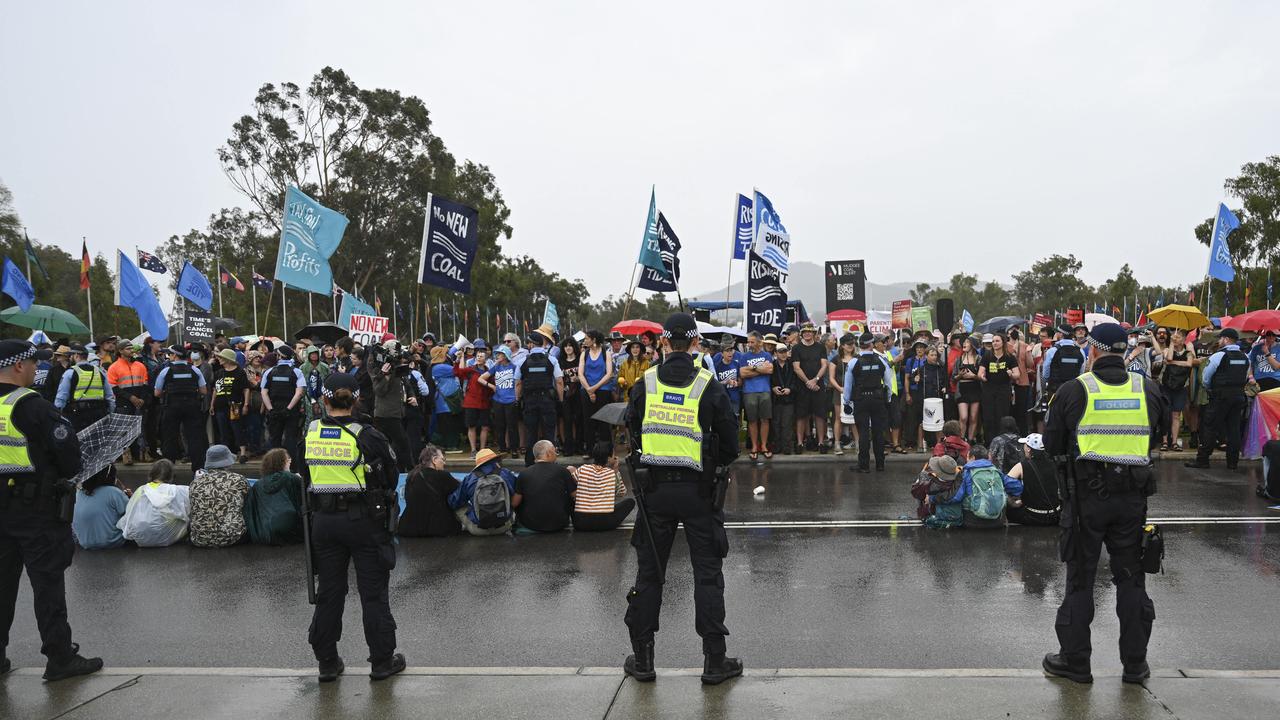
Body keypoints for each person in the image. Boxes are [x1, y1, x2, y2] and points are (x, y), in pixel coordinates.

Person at [1042, 322, 1163, 685]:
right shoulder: (1148, 389)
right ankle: (1135, 665)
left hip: (1085, 501)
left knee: (1081, 579)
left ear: (1092, 350)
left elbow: (1051, 444)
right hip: (1132, 501)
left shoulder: (1074, 390)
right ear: (1124, 351)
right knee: (1131, 578)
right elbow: (1154, 435)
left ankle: (1076, 663)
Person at [623, 312, 741, 686]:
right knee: (707, 574)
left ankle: (643, 659)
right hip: (698, 492)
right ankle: (713, 661)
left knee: (650, 573)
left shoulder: (646, 381)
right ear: (694, 344)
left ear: (663, 342)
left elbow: (631, 428)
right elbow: (732, 444)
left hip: (654, 491)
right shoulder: (708, 383)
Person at [0, 340, 102, 680]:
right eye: (31, 363)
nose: (35, 369)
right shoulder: (33, 407)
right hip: (36, 511)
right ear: (18, 366)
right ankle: (60, 658)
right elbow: (70, 458)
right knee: (47, 586)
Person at [301, 371, 406, 682]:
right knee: (373, 594)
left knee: (329, 593)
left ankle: (327, 662)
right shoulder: (368, 434)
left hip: (323, 522)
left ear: (323, 399)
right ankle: (381, 662)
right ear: (357, 398)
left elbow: (302, 473)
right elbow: (391, 474)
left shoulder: (310, 432)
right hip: (363, 521)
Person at [1186, 327, 1250, 470]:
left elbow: (1206, 377)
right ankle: (1232, 462)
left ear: (1226, 339)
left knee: (1209, 426)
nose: (1219, 341)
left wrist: (1211, 388)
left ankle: (1202, 460)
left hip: (1219, 396)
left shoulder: (1218, 355)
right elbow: (1245, 376)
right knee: (1233, 429)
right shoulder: (1245, 356)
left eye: (1220, 338)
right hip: (1238, 396)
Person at [843, 332, 893, 473]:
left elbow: (847, 385)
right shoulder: (881, 360)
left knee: (863, 433)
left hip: (861, 400)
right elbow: (888, 382)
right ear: (871, 345)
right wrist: (887, 398)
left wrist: (847, 401)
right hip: (878, 400)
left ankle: (864, 465)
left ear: (860, 345)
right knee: (878, 432)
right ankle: (880, 464)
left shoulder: (853, 362)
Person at [153, 345, 209, 470]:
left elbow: (157, 393)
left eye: (170, 354)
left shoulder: (166, 371)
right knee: (195, 437)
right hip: (192, 406)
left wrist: (169, 392)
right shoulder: (195, 369)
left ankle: (168, 469)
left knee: (169, 437)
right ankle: (198, 469)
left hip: (171, 406)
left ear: (175, 355)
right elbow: (204, 391)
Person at [188, 445, 249, 548]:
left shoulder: (195, 483)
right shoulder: (238, 480)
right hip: (233, 537)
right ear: (228, 462)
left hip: (199, 538)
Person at [520, 326, 564, 466]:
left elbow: (518, 383)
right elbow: (559, 381)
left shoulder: (523, 361)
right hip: (547, 401)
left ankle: (530, 464)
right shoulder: (551, 359)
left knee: (531, 433)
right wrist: (560, 399)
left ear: (532, 344)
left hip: (530, 401)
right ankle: (550, 463)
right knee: (549, 432)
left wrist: (517, 399)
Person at [449, 448, 518, 536]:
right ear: (496, 461)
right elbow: (517, 492)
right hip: (504, 527)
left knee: (459, 507)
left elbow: (454, 502)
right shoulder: (506, 474)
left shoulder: (470, 478)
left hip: (478, 530)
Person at [512, 440, 576, 533]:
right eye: (555, 451)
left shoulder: (524, 473)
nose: (556, 454)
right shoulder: (563, 471)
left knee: (521, 494)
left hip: (531, 524)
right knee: (569, 492)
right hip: (559, 523)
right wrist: (575, 477)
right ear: (549, 453)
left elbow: (515, 503)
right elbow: (575, 495)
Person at [571, 440, 635, 531]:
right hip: (605, 523)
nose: (615, 457)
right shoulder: (612, 473)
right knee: (630, 502)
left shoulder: (583, 469)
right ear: (609, 458)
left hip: (580, 523)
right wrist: (616, 470)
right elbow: (621, 493)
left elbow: (572, 483)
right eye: (613, 455)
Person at [244, 448, 303, 545]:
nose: (290, 460)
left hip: (261, 533)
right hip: (290, 530)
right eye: (287, 459)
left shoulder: (257, 485)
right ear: (281, 462)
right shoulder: (290, 477)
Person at [398, 446, 462, 537]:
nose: (444, 463)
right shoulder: (443, 476)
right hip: (438, 529)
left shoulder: (411, 475)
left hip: (409, 529)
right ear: (434, 459)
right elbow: (461, 491)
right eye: (443, 459)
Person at [261, 345, 307, 469]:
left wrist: (270, 409)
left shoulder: (269, 372)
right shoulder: (297, 372)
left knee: (274, 440)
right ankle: (293, 469)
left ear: (280, 356)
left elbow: (264, 392)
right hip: (291, 412)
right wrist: (288, 408)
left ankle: (273, 468)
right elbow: (299, 393)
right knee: (291, 440)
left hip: (274, 410)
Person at [1004, 433, 1061, 526]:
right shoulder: (1053, 463)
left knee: (1009, 509)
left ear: (1029, 449)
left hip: (1034, 516)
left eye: (1025, 445)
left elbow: (1006, 484)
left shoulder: (1022, 466)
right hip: (1054, 514)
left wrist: (1014, 500)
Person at [106, 341, 149, 464]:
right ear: (120, 351)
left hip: (139, 400)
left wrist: (141, 398)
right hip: (123, 402)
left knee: (140, 428)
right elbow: (113, 387)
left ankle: (142, 453)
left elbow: (145, 384)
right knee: (124, 429)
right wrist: (131, 397)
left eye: (131, 348)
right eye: (128, 348)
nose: (131, 350)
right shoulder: (114, 367)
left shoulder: (140, 366)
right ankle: (126, 454)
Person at [55, 344, 114, 432]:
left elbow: (61, 397)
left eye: (71, 356)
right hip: (99, 415)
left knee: (80, 443)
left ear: (76, 356)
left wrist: (58, 415)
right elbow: (110, 397)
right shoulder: (100, 372)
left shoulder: (70, 373)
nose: (70, 358)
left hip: (78, 416)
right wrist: (110, 413)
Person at [791, 323, 830, 454]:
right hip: (802, 387)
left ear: (813, 333)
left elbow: (824, 365)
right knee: (801, 416)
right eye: (805, 331)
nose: (807, 333)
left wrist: (816, 380)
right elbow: (796, 368)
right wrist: (808, 382)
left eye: (810, 331)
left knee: (819, 415)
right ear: (801, 333)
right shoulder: (796, 348)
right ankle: (800, 443)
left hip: (818, 386)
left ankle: (820, 442)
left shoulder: (820, 347)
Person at [71, 464, 129, 550]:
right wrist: (129, 498)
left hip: (84, 542)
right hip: (112, 541)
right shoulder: (113, 492)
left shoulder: (79, 493)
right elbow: (130, 512)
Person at [211, 348, 252, 464]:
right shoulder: (219, 373)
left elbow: (246, 389)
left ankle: (243, 453)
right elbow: (215, 389)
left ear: (227, 359)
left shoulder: (239, 372)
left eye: (221, 357)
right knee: (223, 431)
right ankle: (227, 454)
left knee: (237, 428)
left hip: (235, 406)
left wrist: (246, 404)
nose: (218, 359)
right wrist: (212, 404)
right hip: (220, 406)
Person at [978, 333, 1020, 444]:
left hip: (1003, 390)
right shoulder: (987, 356)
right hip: (989, 390)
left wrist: (1011, 374)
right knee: (988, 417)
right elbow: (980, 372)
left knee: (1001, 416)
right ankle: (989, 443)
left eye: (997, 341)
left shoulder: (1010, 357)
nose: (994, 343)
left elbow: (1017, 374)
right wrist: (982, 376)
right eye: (993, 341)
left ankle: (1002, 442)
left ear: (1003, 343)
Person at [739, 332, 774, 461]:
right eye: (748, 342)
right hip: (749, 391)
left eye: (752, 342)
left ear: (759, 342)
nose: (749, 344)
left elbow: (769, 370)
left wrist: (752, 368)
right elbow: (742, 373)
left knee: (765, 419)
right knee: (752, 420)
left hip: (765, 391)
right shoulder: (744, 356)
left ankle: (763, 446)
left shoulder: (767, 355)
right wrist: (760, 369)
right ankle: (754, 446)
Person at [453, 346, 493, 456]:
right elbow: (458, 373)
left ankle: (483, 449)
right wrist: (458, 359)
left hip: (484, 403)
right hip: (471, 402)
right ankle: (473, 449)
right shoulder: (471, 369)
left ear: (486, 359)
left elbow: (492, 387)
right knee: (472, 426)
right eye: (478, 356)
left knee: (485, 426)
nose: (479, 358)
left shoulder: (489, 371)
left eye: (482, 356)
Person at [1160, 330, 1196, 451]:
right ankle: (1165, 441)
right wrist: (1171, 343)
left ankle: (1174, 442)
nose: (1176, 338)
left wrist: (1174, 363)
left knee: (1176, 415)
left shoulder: (1188, 351)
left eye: (1179, 337)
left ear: (1184, 339)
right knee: (1165, 413)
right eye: (1175, 336)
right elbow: (1169, 357)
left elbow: (1189, 364)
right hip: (1166, 386)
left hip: (1180, 387)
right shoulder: (1167, 349)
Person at [579, 329, 616, 447]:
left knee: (603, 421)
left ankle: (605, 449)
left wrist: (594, 388)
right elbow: (580, 374)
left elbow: (609, 373)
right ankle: (590, 449)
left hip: (603, 390)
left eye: (586, 338)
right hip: (586, 389)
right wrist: (589, 389)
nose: (584, 341)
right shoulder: (584, 354)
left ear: (593, 340)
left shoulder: (606, 354)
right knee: (587, 420)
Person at [483, 346, 520, 456]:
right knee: (500, 426)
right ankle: (502, 448)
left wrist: (517, 397)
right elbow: (481, 378)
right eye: (497, 354)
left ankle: (514, 449)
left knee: (512, 426)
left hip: (511, 399)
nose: (497, 355)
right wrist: (491, 386)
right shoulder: (496, 367)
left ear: (505, 355)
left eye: (500, 354)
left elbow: (519, 382)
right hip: (498, 400)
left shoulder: (514, 367)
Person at [827, 334, 857, 456]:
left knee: (854, 419)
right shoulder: (835, 359)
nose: (851, 346)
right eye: (848, 344)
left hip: (854, 393)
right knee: (838, 418)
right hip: (839, 392)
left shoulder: (857, 358)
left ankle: (858, 443)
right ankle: (837, 444)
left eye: (852, 344)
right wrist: (840, 388)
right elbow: (831, 378)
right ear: (842, 345)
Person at [769, 343, 797, 455]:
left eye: (785, 351)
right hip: (776, 399)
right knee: (776, 423)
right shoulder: (771, 365)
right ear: (775, 353)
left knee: (787, 424)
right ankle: (777, 446)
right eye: (781, 352)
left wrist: (790, 389)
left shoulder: (792, 365)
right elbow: (768, 380)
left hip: (789, 399)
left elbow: (796, 381)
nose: (784, 354)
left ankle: (787, 447)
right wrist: (773, 388)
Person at [953, 337, 982, 443]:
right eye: (963, 342)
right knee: (964, 417)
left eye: (967, 342)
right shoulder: (959, 359)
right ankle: (961, 439)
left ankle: (970, 440)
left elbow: (982, 377)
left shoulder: (979, 359)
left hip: (975, 388)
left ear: (973, 345)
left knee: (974, 417)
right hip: (962, 389)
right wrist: (960, 375)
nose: (964, 344)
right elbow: (953, 378)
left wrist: (973, 376)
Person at [558, 338, 583, 456]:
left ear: (574, 347)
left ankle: (579, 446)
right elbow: (558, 379)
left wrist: (579, 378)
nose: (568, 348)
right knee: (567, 421)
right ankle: (568, 448)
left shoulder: (580, 360)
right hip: (566, 395)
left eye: (570, 345)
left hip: (579, 393)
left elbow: (585, 375)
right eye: (565, 346)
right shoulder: (560, 361)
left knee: (579, 420)